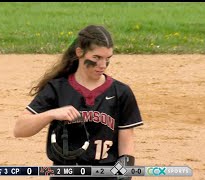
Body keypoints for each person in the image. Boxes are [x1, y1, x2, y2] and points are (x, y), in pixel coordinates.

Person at [14, 25, 143, 180]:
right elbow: (20, 129)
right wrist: (52, 114)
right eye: (96, 58)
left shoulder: (121, 92)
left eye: (107, 59)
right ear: (79, 52)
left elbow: (126, 143)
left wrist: (124, 175)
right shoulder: (57, 88)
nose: (102, 65)